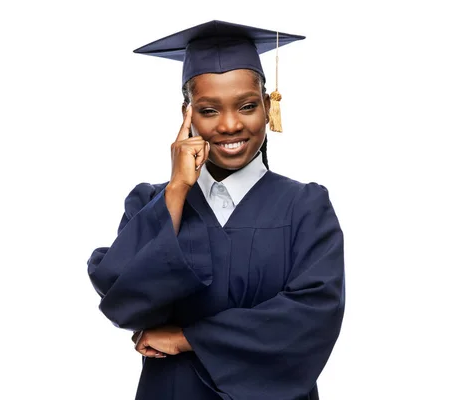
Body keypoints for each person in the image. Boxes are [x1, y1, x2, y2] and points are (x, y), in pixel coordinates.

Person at [87, 20, 345, 400]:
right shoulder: (150, 203)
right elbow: (121, 299)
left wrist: (187, 338)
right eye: (209, 111)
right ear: (186, 115)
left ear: (268, 105)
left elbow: (311, 317)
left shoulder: (306, 207)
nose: (230, 125)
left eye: (247, 106)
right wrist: (176, 189)